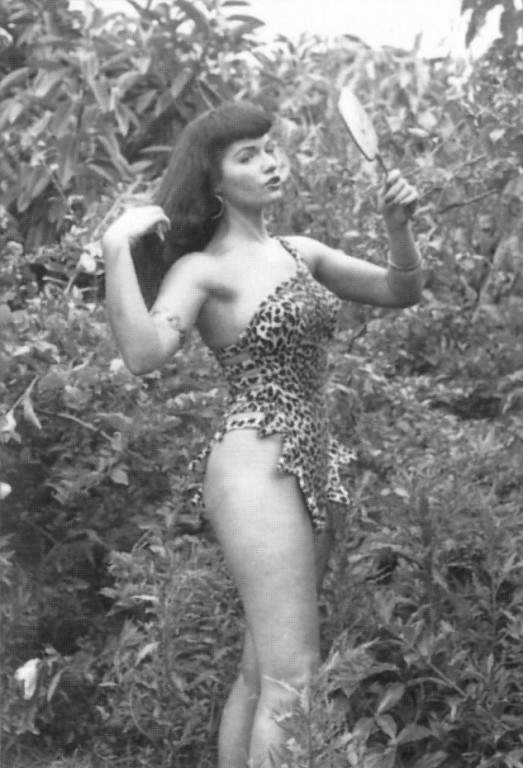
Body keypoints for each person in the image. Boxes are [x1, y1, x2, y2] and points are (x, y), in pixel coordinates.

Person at [101, 100, 422, 768]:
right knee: (293, 677)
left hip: (314, 462)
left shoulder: (299, 252)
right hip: (254, 465)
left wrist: (397, 229)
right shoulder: (202, 271)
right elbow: (143, 354)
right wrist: (114, 249)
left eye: (270, 148)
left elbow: (400, 290)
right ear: (214, 181)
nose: (270, 162)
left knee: (262, 674)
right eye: (247, 156)